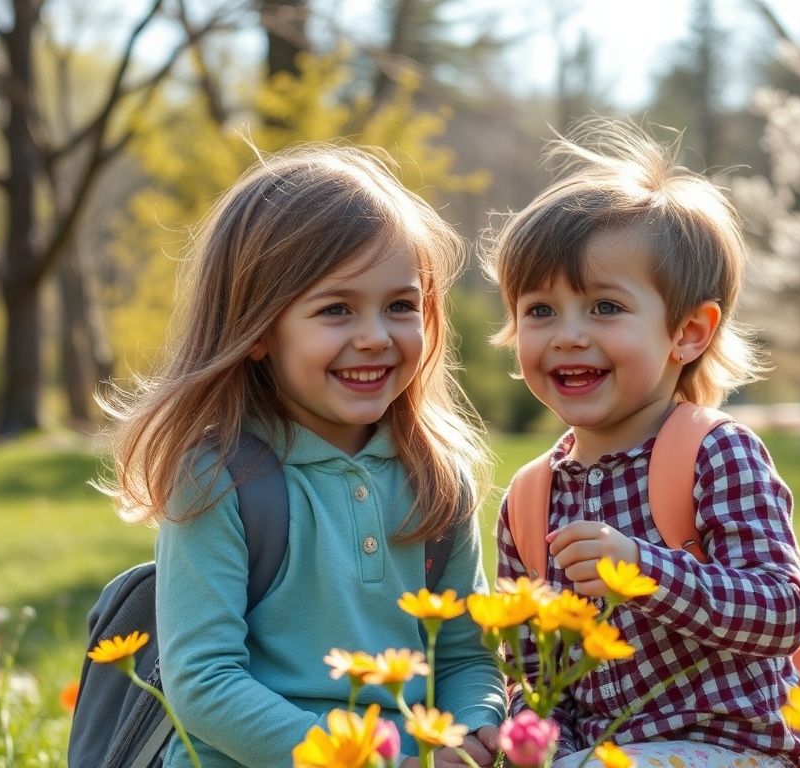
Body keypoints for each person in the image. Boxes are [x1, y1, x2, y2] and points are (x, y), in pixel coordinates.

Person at [97, 143, 506, 768]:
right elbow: (204, 683)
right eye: (336, 309)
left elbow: (465, 656)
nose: (374, 336)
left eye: (400, 305)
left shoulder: (437, 477)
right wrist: (370, 758)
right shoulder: (218, 477)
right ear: (259, 330)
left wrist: (473, 730)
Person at [480, 118, 800, 768]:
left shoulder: (714, 453)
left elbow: (782, 611)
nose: (568, 335)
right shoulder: (527, 499)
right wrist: (531, 738)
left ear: (689, 332)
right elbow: (529, 672)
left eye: (605, 308)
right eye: (540, 311)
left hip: (735, 751)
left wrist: (644, 572)